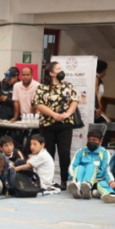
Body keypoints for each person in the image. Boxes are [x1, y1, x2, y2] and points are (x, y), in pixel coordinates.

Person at [32, 61, 78, 190]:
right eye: (58, 69)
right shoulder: (42, 87)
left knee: (64, 153)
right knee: (49, 153)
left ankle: (64, 180)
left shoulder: (68, 86)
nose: (61, 71)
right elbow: (38, 104)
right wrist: (53, 114)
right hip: (47, 125)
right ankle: (48, 180)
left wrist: (67, 113)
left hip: (65, 124)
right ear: (51, 73)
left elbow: (74, 101)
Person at [66, 129, 110, 200]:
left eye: (94, 140)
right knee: (80, 167)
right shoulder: (81, 151)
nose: (91, 141)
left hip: (96, 180)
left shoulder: (104, 153)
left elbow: (104, 169)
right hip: (80, 177)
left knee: (91, 166)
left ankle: (87, 186)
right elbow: (72, 167)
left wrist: (93, 176)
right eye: (90, 140)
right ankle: (77, 185)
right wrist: (73, 177)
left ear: (100, 141)